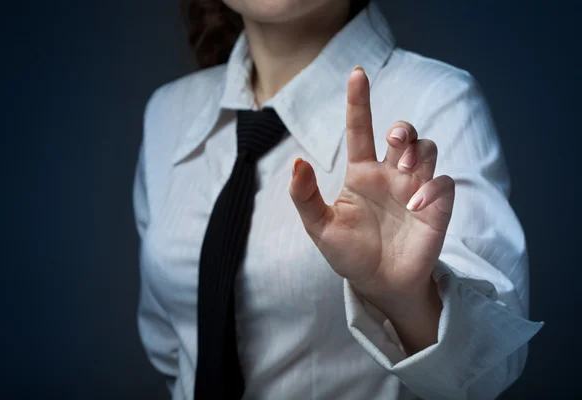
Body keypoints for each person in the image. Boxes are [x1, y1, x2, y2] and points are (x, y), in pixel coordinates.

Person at [132, 0, 544, 399]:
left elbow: (486, 372)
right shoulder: (169, 112)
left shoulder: (437, 99)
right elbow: (172, 345)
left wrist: (408, 299)